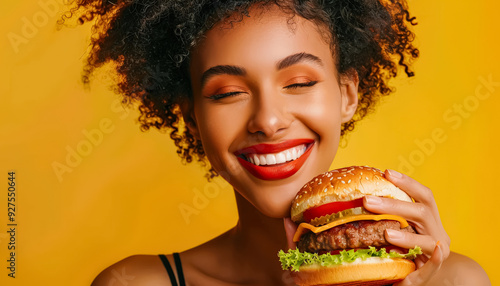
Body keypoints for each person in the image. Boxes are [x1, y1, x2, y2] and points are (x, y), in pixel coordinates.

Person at [63, 0, 490, 285]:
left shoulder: (454, 280)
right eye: (228, 92)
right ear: (192, 117)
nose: (268, 121)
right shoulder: (137, 284)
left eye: (299, 82)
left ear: (347, 95)